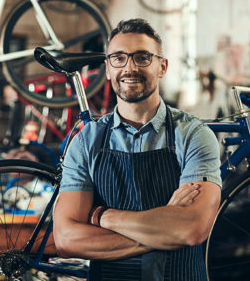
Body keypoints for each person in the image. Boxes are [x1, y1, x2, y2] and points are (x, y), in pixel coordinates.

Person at [53, 18, 222, 280]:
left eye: (142, 57)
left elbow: (191, 229)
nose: (130, 67)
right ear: (108, 68)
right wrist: (166, 229)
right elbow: (66, 239)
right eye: (119, 58)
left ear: (162, 66)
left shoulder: (193, 135)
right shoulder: (87, 142)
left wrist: (103, 217)